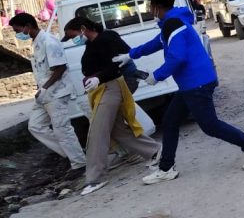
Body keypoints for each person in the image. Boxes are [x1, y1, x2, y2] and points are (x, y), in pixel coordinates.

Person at [113, 0, 244, 184]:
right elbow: (156, 43)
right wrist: (130, 55)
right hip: (191, 83)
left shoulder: (173, 24)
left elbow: (178, 57)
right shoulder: (172, 23)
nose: (148, 10)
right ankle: (166, 168)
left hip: (196, 83)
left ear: (157, 7)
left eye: (149, 6)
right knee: (170, 121)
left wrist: (157, 76)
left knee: (210, 126)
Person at [63, 18, 161, 195]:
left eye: (73, 36)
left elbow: (118, 62)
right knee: (118, 130)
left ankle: (94, 178)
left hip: (111, 87)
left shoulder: (107, 38)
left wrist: (98, 77)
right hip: (100, 89)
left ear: (83, 28)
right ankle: (155, 151)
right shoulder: (91, 43)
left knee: (97, 132)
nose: (73, 40)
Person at [11, 13, 86, 176]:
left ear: (28, 26)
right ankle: (70, 154)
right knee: (35, 126)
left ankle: (79, 163)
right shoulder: (37, 42)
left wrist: (45, 88)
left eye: (18, 30)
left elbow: (60, 68)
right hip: (44, 94)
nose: (17, 34)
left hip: (56, 92)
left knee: (62, 129)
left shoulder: (49, 41)